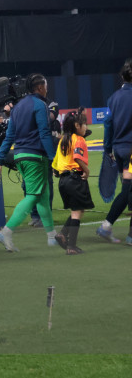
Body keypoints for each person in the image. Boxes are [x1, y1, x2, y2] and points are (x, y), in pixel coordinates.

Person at [0, 74, 58, 251]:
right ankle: (6, 232)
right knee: (33, 197)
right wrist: (53, 159)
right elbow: (44, 134)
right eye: (46, 85)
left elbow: (9, 137)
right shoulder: (40, 105)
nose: (47, 88)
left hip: (20, 156)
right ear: (39, 88)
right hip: (35, 157)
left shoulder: (18, 107)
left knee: (42, 196)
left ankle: (52, 236)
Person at [97, 58, 132, 243]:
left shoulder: (113, 98)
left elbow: (108, 125)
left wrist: (108, 148)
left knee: (129, 189)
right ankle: (107, 226)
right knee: (127, 191)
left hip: (118, 149)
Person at [52, 111, 93, 254]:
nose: (86, 126)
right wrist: (86, 171)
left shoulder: (62, 140)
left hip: (63, 181)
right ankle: (71, 246)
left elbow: (55, 167)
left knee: (79, 209)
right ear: (77, 125)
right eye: (84, 123)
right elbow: (77, 157)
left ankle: (63, 234)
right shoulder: (79, 139)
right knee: (77, 212)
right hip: (75, 178)